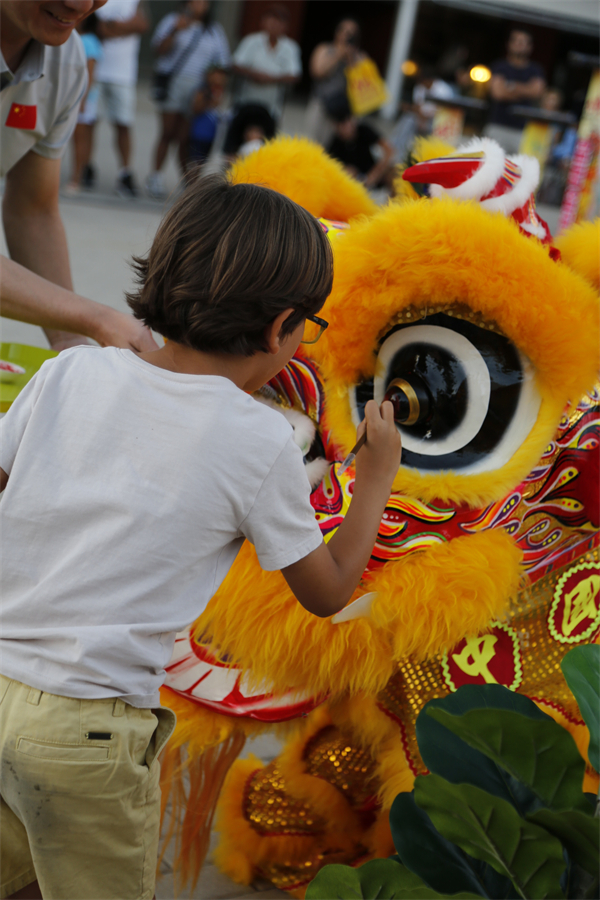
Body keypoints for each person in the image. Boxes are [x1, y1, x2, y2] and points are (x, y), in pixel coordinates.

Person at [0, 175, 402, 900]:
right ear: (283, 328)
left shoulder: (72, 371)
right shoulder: (254, 439)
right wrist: (375, 475)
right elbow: (327, 590)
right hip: (88, 730)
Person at [0, 0, 156, 353]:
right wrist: (92, 318)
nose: (81, 4)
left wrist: (72, 348)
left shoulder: (66, 63)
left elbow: (33, 210)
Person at [146, 0, 230, 199]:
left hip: (198, 88)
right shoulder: (172, 21)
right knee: (167, 132)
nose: (199, 5)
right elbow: (158, 49)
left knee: (185, 136)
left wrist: (215, 90)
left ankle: (188, 181)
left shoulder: (214, 30)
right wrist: (175, 30)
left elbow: (222, 62)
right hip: (174, 82)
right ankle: (155, 177)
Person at [223, 4, 300, 157]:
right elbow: (235, 64)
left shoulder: (290, 47)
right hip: (245, 103)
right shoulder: (251, 41)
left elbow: (295, 75)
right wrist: (254, 74)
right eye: (271, 20)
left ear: (285, 26)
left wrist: (271, 78)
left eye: (279, 22)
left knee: (264, 152)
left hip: (271, 108)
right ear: (263, 22)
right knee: (234, 149)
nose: (274, 25)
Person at [92, 0, 148, 198]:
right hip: (95, 69)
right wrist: (125, 27)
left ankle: (125, 173)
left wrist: (111, 27)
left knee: (123, 123)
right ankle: (85, 168)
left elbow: (141, 25)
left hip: (123, 73)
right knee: (88, 121)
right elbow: (94, 27)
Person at [485, 29, 545, 154]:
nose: (519, 45)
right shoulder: (499, 66)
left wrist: (510, 86)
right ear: (509, 44)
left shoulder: (536, 69)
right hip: (498, 126)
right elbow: (497, 93)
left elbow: (537, 92)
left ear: (530, 47)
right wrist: (525, 89)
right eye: (516, 41)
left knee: (519, 169)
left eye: (523, 42)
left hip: (524, 130)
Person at [306, 18, 364, 146]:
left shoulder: (360, 57)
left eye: (352, 33)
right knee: (314, 145)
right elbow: (317, 72)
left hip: (346, 112)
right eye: (345, 32)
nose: (348, 36)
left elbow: (363, 86)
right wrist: (339, 54)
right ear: (337, 32)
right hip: (321, 106)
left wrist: (351, 60)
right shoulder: (324, 49)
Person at [64, 12, 102, 194]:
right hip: (75, 96)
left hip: (83, 98)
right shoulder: (79, 38)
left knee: (80, 140)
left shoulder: (89, 41)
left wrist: (82, 100)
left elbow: (90, 74)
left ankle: (76, 179)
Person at [389, 65, 455, 163]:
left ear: (432, 80)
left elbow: (445, 112)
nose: (423, 84)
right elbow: (418, 106)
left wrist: (425, 116)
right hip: (422, 117)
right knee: (407, 119)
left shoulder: (444, 90)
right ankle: (395, 150)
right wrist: (419, 115)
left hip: (438, 120)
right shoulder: (420, 87)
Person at [328, 103, 394, 192]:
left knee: (394, 173)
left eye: (349, 121)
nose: (348, 126)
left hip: (374, 174)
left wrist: (375, 174)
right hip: (354, 184)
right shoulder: (334, 143)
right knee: (347, 172)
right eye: (343, 124)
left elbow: (389, 150)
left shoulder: (364, 131)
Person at [188, 65, 227, 168]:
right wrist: (208, 98)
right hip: (199, 133)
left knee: (204, 162)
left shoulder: (220, 91)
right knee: (195, 161)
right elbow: (196, 108)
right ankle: (192, 181)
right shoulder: (203, 90)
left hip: (211, 134)